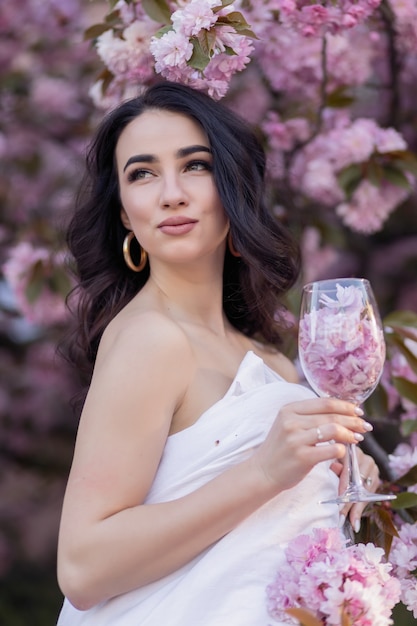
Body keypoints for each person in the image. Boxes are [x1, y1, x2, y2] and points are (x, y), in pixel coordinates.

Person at [56, 80, 380, 626]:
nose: (171, 193)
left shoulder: (271, 360)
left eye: (196, 166)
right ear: (125, 216)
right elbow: (83, 569)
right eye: (142, 173)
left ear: (232, 188)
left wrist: (341, 472)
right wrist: (264, 472)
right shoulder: (150, 339)